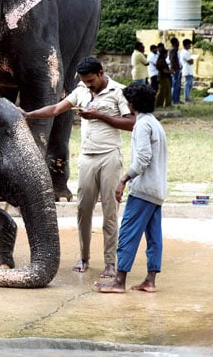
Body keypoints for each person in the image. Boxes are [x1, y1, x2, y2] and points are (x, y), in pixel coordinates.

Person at [21, 57, 134, 278]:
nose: (88, 84)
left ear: (101, 73)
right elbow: (55, 109)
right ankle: (84, 257)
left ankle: (110, 262)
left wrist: (100, 116)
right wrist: (28, 114)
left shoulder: (119, 91)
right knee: (83, 210)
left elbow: (131, 123)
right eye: (85, 81)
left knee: (110, 212)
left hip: (110, 156)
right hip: (87, 158)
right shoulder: (81, 90)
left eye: (91, 80)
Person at [95, 82, 167, 294]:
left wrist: (123, 179)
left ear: (133, 102)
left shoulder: (142, 125)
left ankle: (119, 282)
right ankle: (150, 281)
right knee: (154, 237)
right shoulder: (155, 124)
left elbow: (143, 158)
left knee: (127, 233)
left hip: (143, 191)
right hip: (157, 191)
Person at [155, 44, 172, 108]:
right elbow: (164, 70)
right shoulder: (161, 61)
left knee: (167, 91)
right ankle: (158, 104)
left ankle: (168, 104)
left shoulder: (163, 60)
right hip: (163, 77)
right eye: (166, 54)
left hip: (166, 77)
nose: (167, 55)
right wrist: (171, 71)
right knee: (162, 92)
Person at [168, 37, 182, 104]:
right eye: (177, 42)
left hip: (176, 69)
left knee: (177, 85)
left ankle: (177, 99)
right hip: (175, 69)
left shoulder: (174, 50)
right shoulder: (173, 50)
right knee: (175, 85)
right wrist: (176, 67)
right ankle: (174, 99)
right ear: (175, 43)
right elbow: (172, 59)